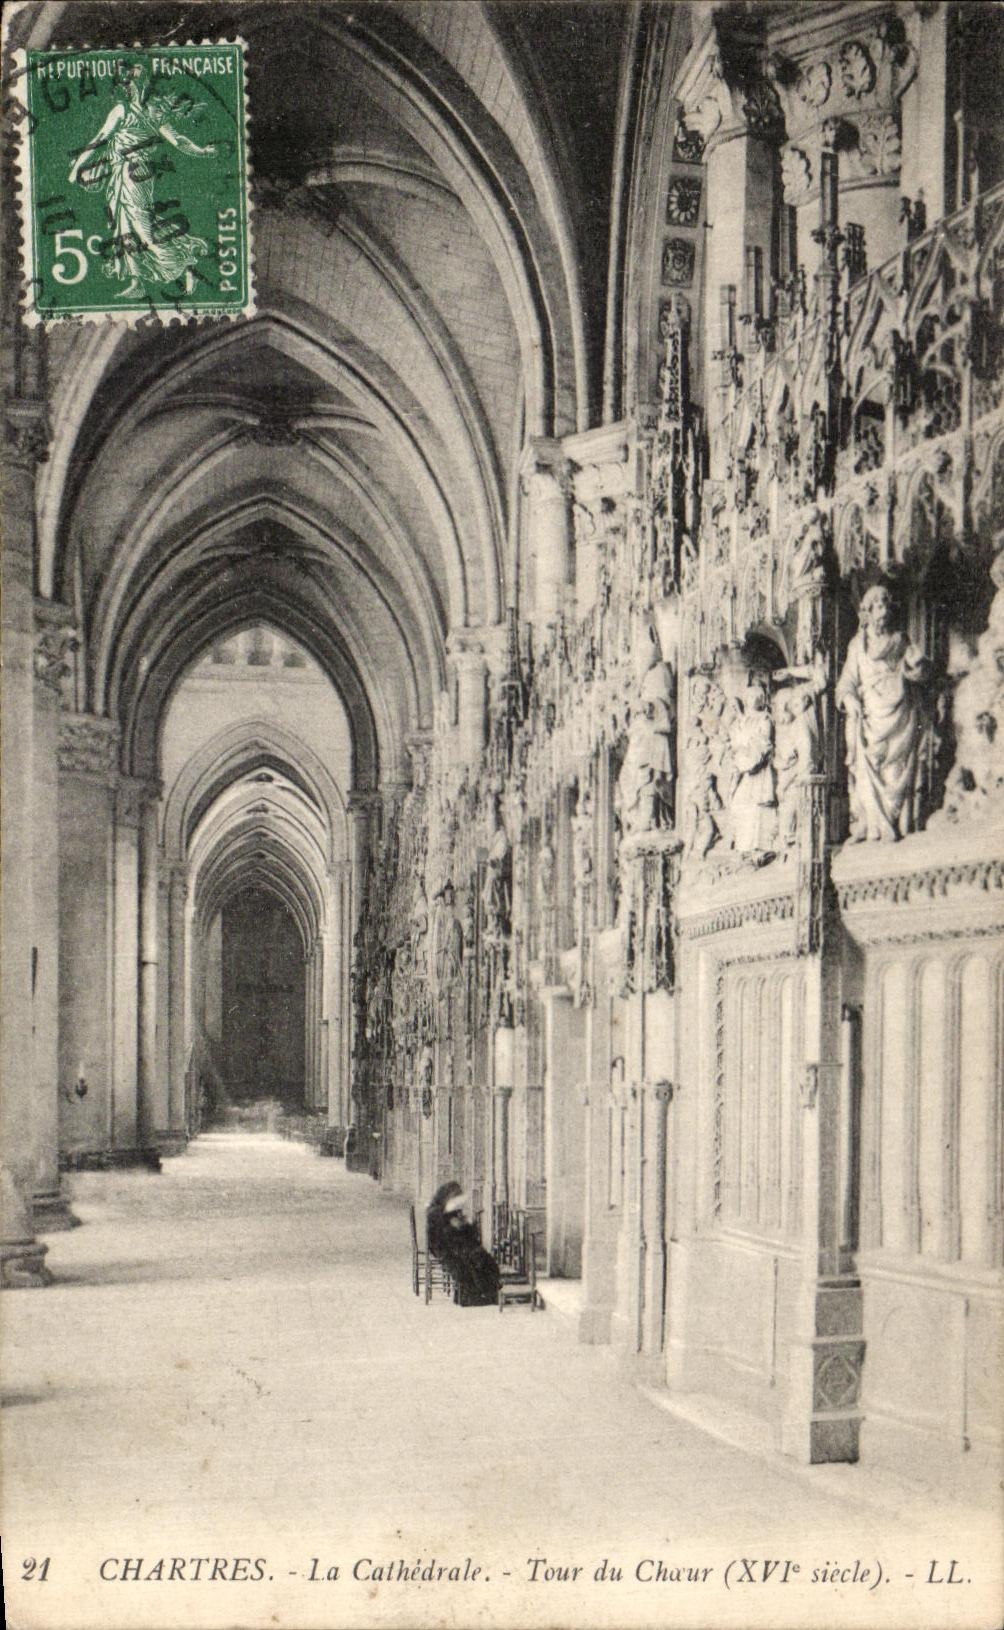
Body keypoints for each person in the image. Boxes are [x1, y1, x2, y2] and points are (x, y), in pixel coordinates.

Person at [69, 60, 219, 298]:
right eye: (129, 80)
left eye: (136, 80)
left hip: (137, 174)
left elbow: (178, 140)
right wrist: (78, 165)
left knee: (141, 227)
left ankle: (185, 261)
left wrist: (201, 151)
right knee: (122, 225)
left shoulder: (153, 115)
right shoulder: (122, 110)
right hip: (119, 174)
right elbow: (100, 138)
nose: (132, 85)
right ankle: (136, 281)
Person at [425, 1183, 500, 1307]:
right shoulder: (435, 1212)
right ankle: (471, 1296)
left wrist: (465, 1223)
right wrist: (453, 1226)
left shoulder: (449, 1210)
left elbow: (466, 1232)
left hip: (458, 1245)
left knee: (481, 1257)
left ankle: (485, 1292)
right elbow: (440, 1236)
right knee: (470, 1260)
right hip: (445, 1249)